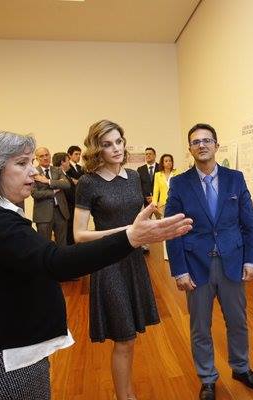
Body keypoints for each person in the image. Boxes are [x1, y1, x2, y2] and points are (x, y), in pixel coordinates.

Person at [0, 130, 192, 400]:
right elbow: (55, 261)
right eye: (22, 163)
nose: (33, 171)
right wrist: (131, 236)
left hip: (8, 356)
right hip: (0, 366)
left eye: (30, 162)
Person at [166, 123, 253, 400]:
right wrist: (179, 270)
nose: (202, 145)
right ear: (190, 149)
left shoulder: (235, 179)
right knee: (200, 327)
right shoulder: (180, 183)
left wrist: (251, 260)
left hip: (232, 262)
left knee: (237, 321)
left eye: (207, 140)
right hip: (196, 266)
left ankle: (241, 368)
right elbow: (173, 229)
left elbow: (248, 224)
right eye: (196, 142)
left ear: (216, 145)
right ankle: (207, 378)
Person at [73, 120, 162, 400]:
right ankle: (125, 397)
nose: (116, 148)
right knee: (124, 338)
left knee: (131, 337)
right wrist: (126, 232)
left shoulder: (134, 176)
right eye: (107, 144)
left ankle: (127, 393)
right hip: (108, 263)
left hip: (134, 261)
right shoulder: (88, 182)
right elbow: (79, 235)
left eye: (119, 142)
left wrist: (154, 224)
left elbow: (139, 219)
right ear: (96, 149)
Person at [32, 147, 70, 245]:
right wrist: (53, 191)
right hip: (43, 214)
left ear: (50, 155)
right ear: (37, 159)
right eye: (41, 156)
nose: (45, 158)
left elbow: (66, 184)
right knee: (44, 244)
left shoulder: (57, 170)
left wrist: (47, 181)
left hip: (61, 212)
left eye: (47, 155)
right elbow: (35, 194)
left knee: (62, 244)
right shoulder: (33, 172)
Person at [52, 152, 77, 245]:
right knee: (67, 239)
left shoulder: (66, 175)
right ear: (62, 162)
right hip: (67, 211)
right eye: (68, 161)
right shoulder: (57, 177)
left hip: (70, 210)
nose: (69, 163)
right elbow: (68, 194)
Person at [152, 153, 179, 218]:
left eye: (170, 161)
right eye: (166, 161)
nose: (168, 162)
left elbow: (180, 189)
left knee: (174, 221)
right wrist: (154, 204)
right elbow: (156, 190)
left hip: (175, 203)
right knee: (163, 222)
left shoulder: (177, 173)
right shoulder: (158, 175)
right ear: (162, 163)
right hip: (162, 204)